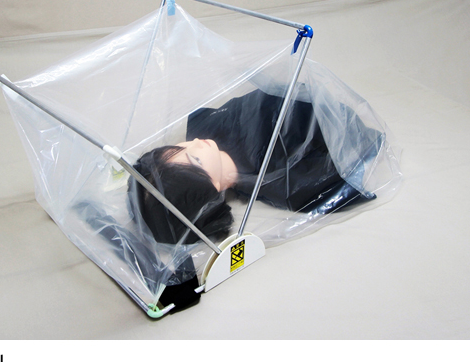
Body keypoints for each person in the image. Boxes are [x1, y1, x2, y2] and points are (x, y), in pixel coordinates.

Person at [128, 88, 381, 311]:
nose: (195, 143)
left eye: (180, 147)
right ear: (210, 190)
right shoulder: (285, 179)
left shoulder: (210, 126)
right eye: (195, 160)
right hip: (333, 127)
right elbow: (338, 167)